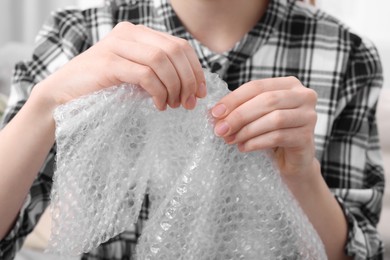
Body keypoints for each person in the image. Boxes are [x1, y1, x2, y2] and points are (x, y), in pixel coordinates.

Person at [0, 0, 384, 259]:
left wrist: (301, 173)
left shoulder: (346, 54)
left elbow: (350, 252)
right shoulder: (81, 34)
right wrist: (45, 104)